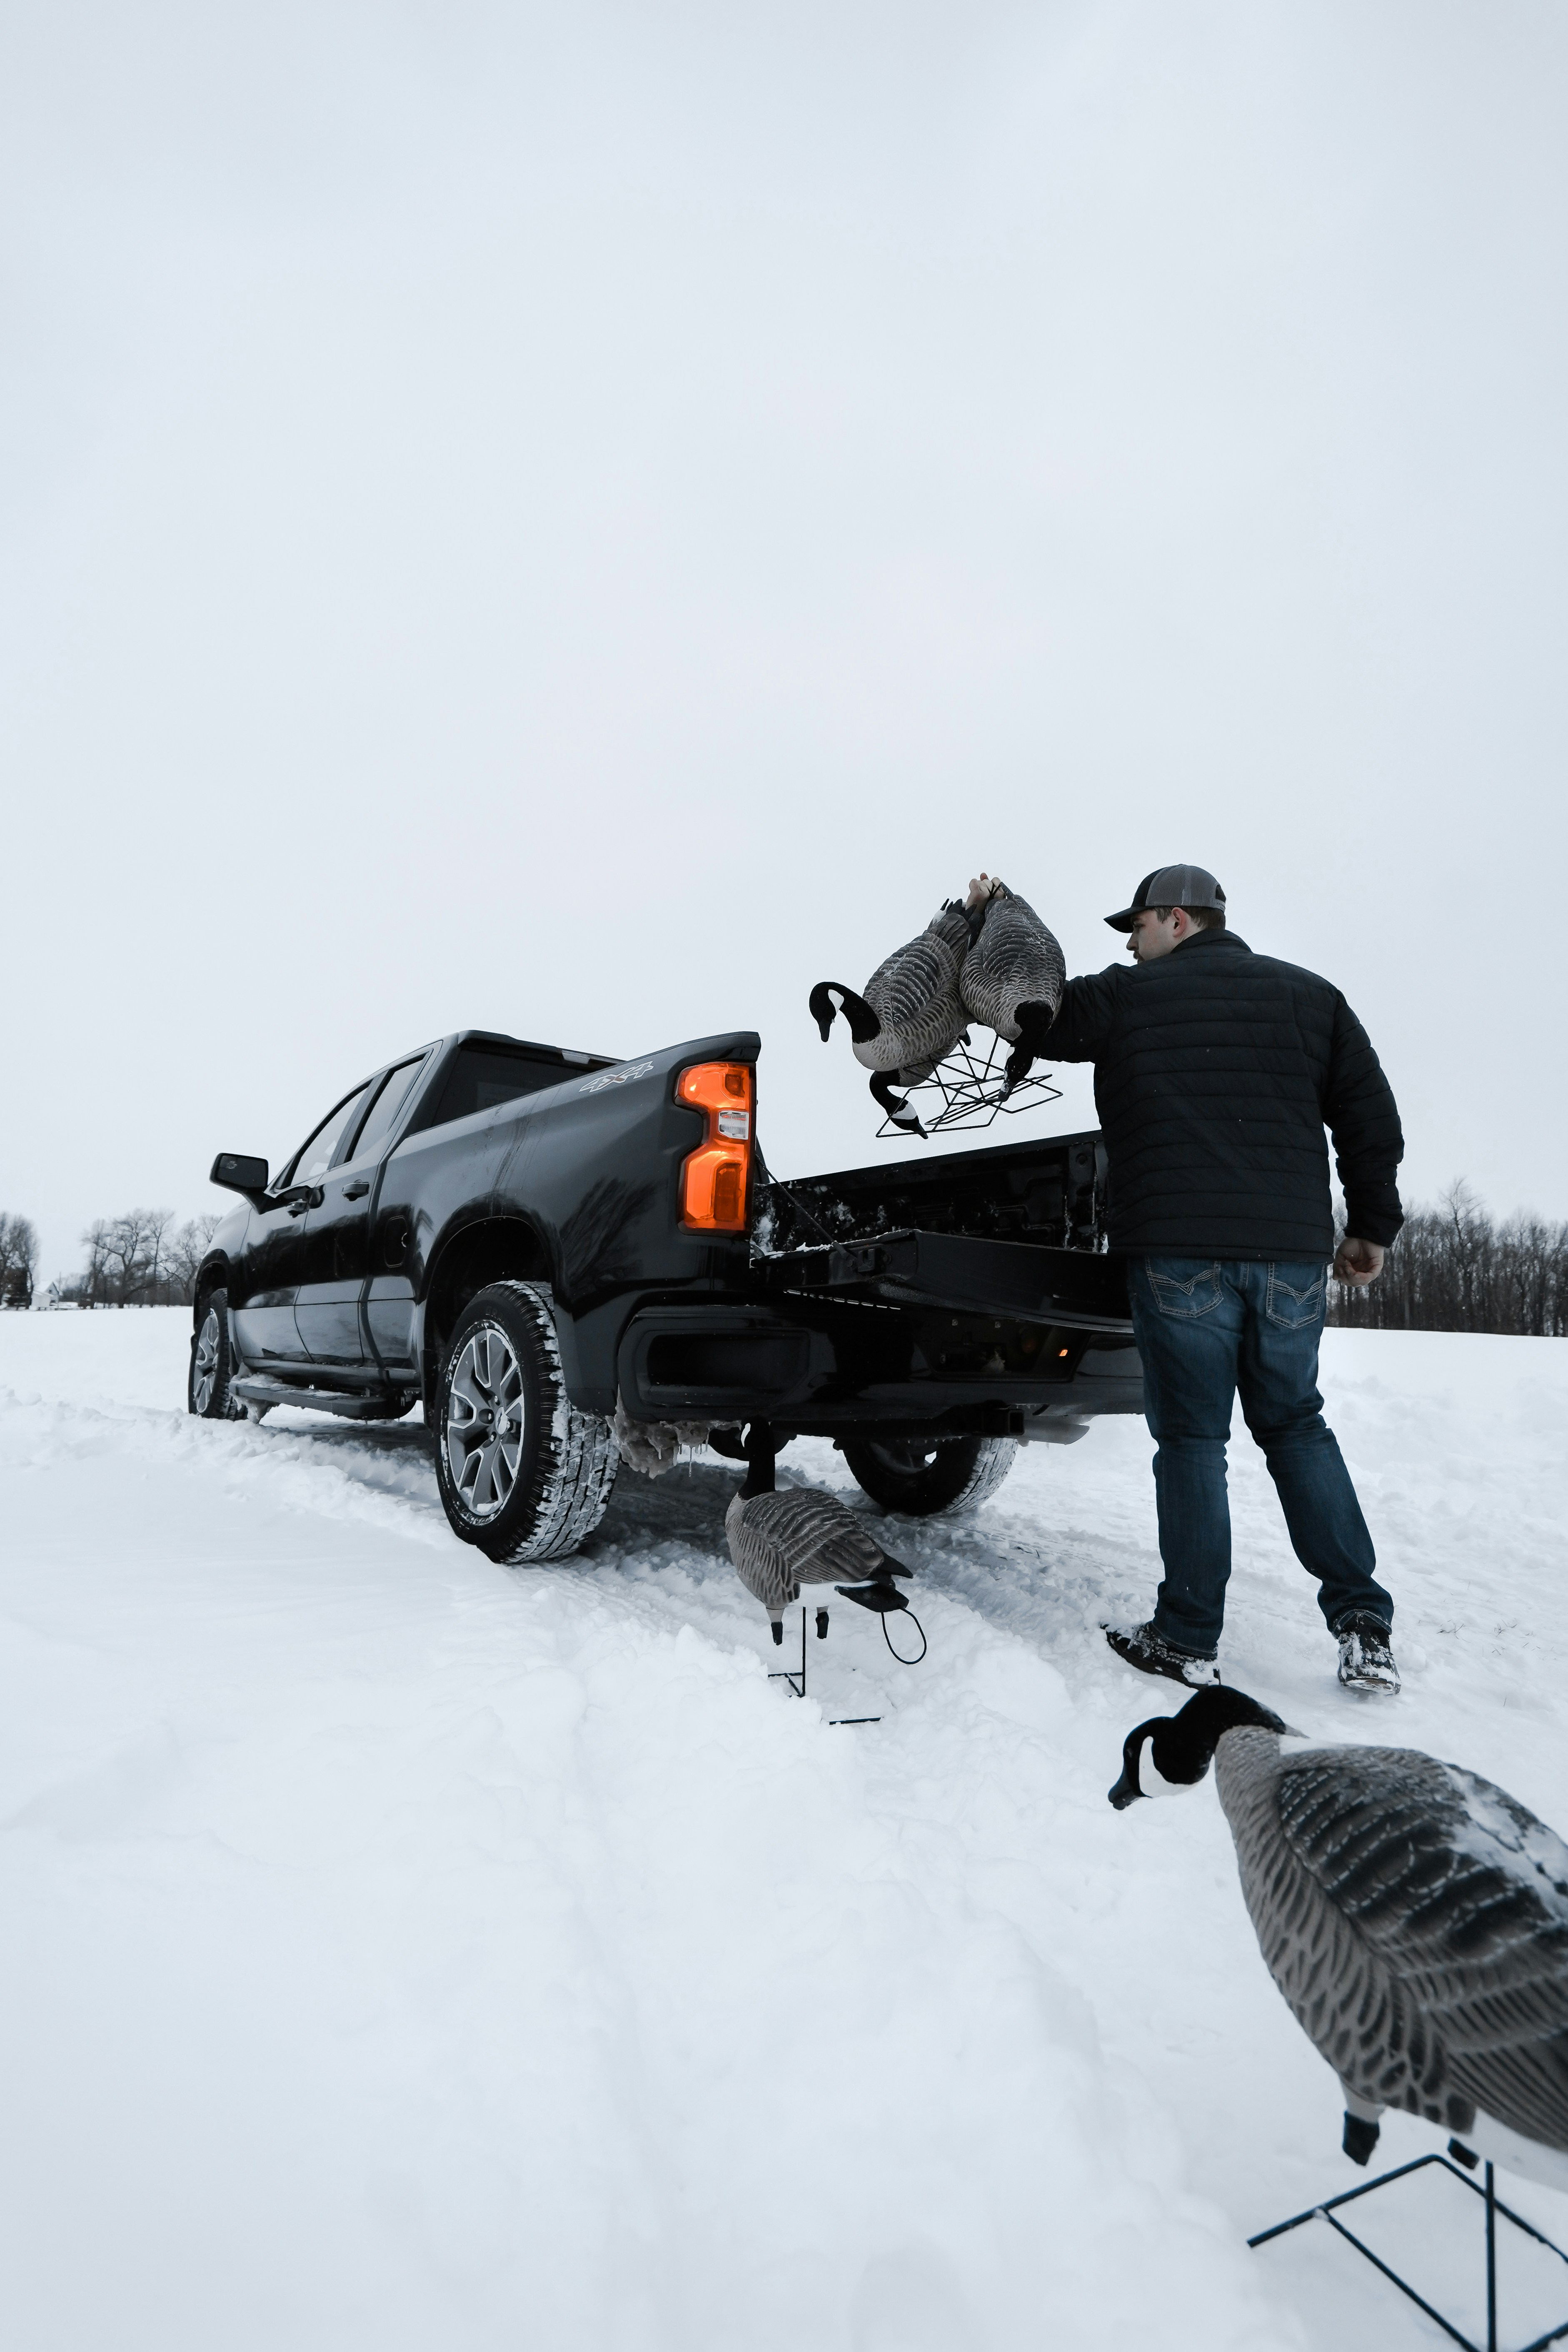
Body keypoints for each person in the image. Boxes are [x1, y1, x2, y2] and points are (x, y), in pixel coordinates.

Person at [1032, 864, 1403, 1695]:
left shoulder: (1126, 998)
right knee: (1297, 1428)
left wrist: (990, 921)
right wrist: (1371, 1228)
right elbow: (1370, 1120)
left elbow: (1036, 1015)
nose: (1128, 944)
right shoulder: (1312, 997)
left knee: (1195, 1443)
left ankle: (1186, 1636)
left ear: (1177, 919)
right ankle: (1363, 1623)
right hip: (1290, 1254)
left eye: (1135, 927)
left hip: (1179, 1249)